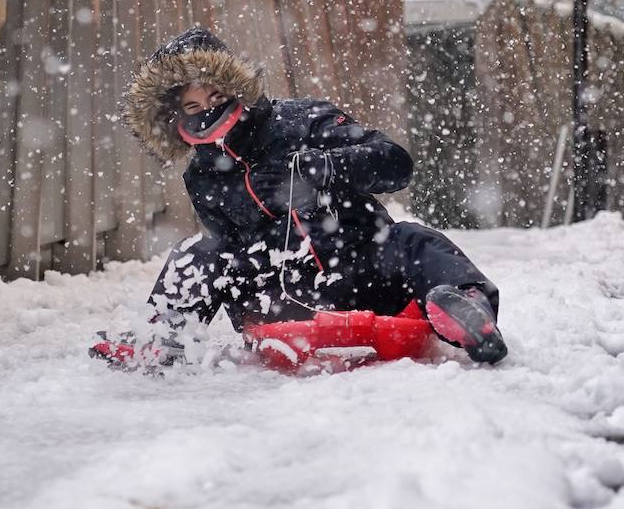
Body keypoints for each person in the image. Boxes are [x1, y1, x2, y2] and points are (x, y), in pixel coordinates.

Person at [93, 27, 506, 368]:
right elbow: (226, 249)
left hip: (363, 270)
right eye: (193, 105)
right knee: (197, 253)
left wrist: (324, 167)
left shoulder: (302, 119)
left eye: (216, 97)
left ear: (235, 88)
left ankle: (467, 310)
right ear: (178, 117)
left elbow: (395, 163)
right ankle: (164, 335)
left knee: (414, 240)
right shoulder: (202, 174)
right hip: (285, 299)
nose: (207, 110)